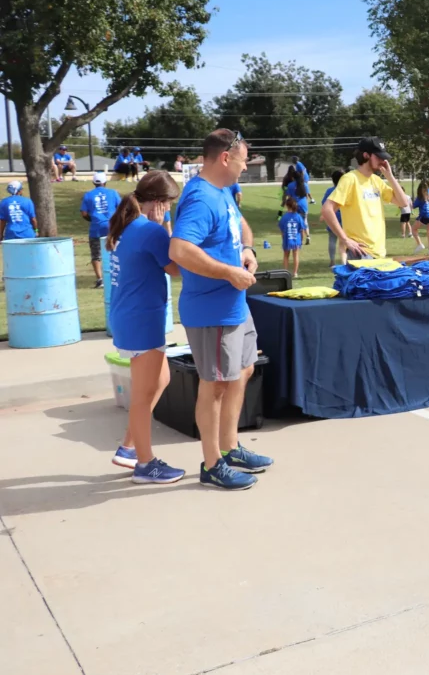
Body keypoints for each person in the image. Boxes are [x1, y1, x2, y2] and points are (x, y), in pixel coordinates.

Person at [170, 129, 272, 490]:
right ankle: (212, 464)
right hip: (211, 310)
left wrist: (247, 251)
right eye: (244, 160)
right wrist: (228, 272)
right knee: (213, 386)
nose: (246, 167)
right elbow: (180, 250)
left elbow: (240, 226)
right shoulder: (199, 198)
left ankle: (231, 448)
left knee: (242, 372)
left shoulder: (223, 191)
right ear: (226, 157)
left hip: (234, 307)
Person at [105, 171, 186, 484]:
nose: (169, 210)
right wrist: (166, 228)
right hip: (142, 318)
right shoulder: (151, 232)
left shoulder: (130, 226)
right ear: (158, 203)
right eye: (168, 205)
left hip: (130, 315)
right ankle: (145, 463)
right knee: (143, 395)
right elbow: (176, 267)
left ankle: (128, 448)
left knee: (161, 378)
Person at [322, 137, 411, 260]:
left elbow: (403, 202)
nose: (383, 160)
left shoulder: (376, 181)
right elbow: (327, 209)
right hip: (360, 253)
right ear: (366, 155)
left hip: (379, 253)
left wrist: (389, 176)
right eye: (379, 157)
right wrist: (345, 239)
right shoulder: (350, 179)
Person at [81, 172, 121, 289]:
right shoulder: (113, 193)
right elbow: (121, 208)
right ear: (105, 182)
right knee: (116, 251)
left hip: (96, 228)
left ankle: (100, 279)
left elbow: (84, 213)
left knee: (96, 255)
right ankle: (117, 277)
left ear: (93, 182)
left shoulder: (88, 195)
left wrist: (92, 218)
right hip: (112, 227)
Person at [322, 169, 345, 266]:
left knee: (332, 239)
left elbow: (324, 204)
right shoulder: (345, 190)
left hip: (332, 217)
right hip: (345, 218)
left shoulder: (329, 191)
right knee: (343, 241)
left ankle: (332, 260)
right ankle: (344, 261)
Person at [284, 169, 311, 245]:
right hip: (303, 205)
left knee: (296, 223)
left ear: (293, 177)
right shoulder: (305, 185)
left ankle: (300, 239)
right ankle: (308, 236)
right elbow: (306, 196)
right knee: (305, 221)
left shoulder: (290, 185)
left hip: (294, 205)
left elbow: (289, 197)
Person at [279, 195, 304, 277]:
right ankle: (295, 272)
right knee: (296, 255)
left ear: (287, 205)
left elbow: (282, 230)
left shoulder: (284, 217)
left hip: (287, 239)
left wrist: (283, 238)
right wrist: (302, 239)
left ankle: (285, 272)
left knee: (286, 255)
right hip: (296, 239)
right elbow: (301, 230)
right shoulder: (298, 217)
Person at [414, 180, 429, 255]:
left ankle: (420, 244)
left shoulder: (420, 197)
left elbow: (413, 206)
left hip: (424, 215)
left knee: (414, 229)